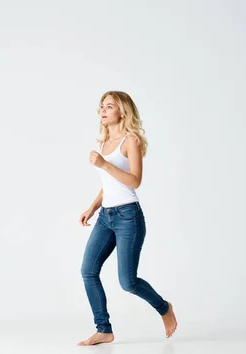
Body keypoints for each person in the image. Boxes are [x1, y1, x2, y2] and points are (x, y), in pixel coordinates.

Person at [77, 91, 178, 346]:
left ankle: (164, 307)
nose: (103, 110)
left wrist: (103, 164)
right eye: (101, 106)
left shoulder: (130, 140)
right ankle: (104, 329)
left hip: (128, 216)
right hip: (105, 216)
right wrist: (91, 207)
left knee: (128, 282)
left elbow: (134, 181)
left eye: (109, 106)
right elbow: (108, 184)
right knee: (88, 271)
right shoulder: (102, 143)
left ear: (122, 111)